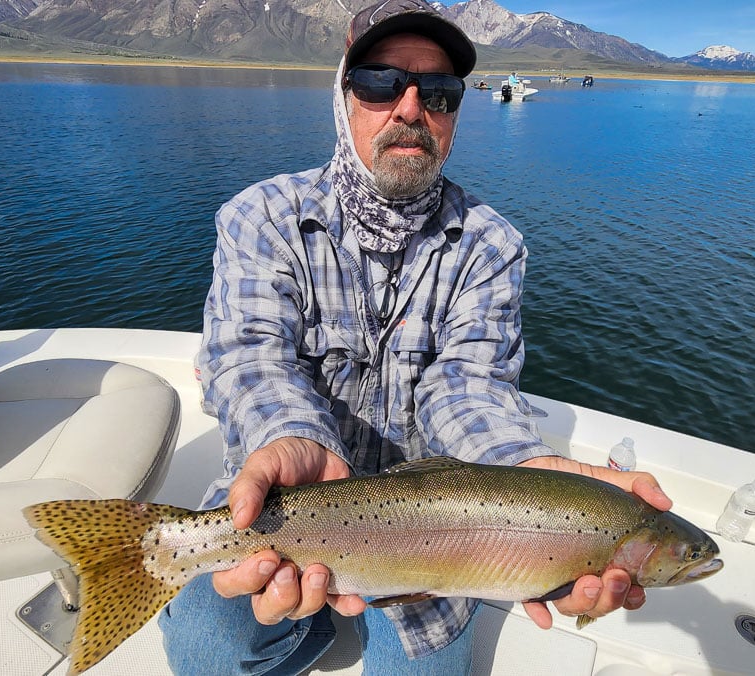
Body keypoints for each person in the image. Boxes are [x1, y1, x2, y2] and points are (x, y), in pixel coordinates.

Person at [158, 1, 673, 673]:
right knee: (205, 652)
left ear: (454, 113)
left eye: (437, 93)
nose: (409, 108)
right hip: (284, 511)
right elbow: (253, 360)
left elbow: (468, 386)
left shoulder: (492, 246)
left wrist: (519, 470)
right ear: (342, 95)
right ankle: (311, 625)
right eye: (379, 82)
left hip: (451, 535)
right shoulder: (262, 218)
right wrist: (291, 436)